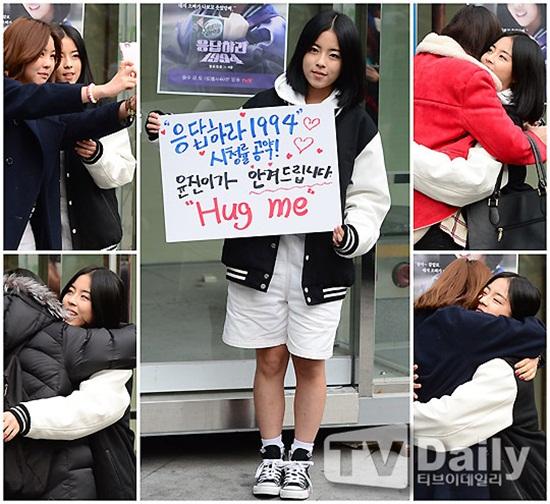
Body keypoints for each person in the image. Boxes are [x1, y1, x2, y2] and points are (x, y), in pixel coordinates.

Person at [146, 9, 390, 500]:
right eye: (314, 50)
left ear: (348, 63)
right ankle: (271, 455)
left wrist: (352, 233)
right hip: (261, 261)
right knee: (270, 360)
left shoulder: (358, 122)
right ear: (300, 52)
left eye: (334, 55)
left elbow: (370, 197)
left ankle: (301, 459)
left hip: (321, 265)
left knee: (312, 363)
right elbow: (216, 156)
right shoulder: (264, 105)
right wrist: (170, 135)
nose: (321, 62)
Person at [413, 5, 547, 249]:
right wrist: (538, 141)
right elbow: (503, 152)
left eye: (502, 56)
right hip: (440, 217)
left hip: (433, 213)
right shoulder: (473, 79)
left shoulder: (417, 63)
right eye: (490, 49)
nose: (489, 58)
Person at [413, 260, 546, 499]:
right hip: (459, 464)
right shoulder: (469, 327)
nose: (483, 300)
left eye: (497, 299)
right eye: (484, 292)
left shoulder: (418, 316)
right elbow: (536, 333)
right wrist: (538, 355)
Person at [4, 17, 137, 250]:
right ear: (20, 50)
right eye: (41, 54)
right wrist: (98, 91)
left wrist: (125, 108)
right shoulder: (18, 95)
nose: (50, 64)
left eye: (52, 56)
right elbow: (30, 99)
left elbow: (76, 123)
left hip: (51, 232)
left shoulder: (53, 110)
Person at [3, 266, 136, 500]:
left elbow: (91, 408)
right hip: (47, 466)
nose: (71, 300)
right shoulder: (44, 334)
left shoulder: (114, 359)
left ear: (103, 305)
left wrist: (23, 416)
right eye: (71, 291)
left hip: (101, 469)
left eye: (85, 297)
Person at [52, 24, 136, 250]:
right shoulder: (34, 110)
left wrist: (97, 156)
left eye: (75, 56)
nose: (68, 65)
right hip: (48, 237)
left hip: (97, 235)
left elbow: (125, 172)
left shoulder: (104, 110)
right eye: (59, 57)